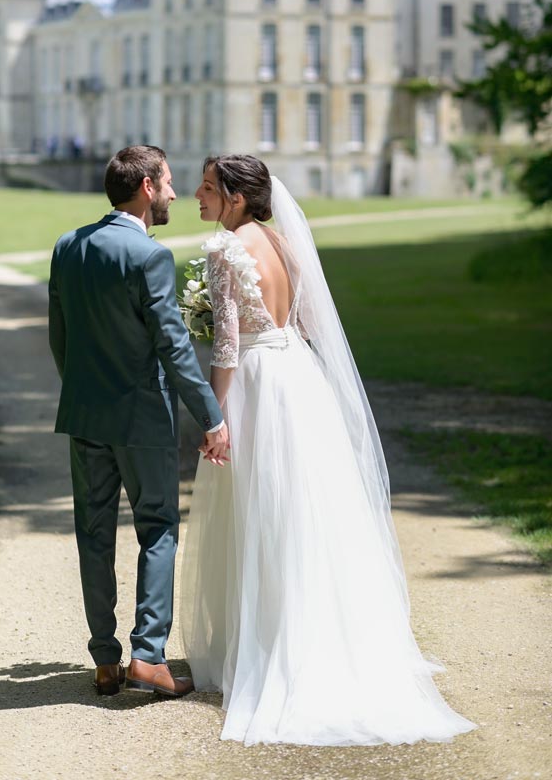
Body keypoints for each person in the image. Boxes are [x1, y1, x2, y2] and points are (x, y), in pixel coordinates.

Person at [181, 154, 477, 746]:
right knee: (309, 509)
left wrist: (215, 418)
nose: (197, 195)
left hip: (259, 383)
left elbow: (229, 347)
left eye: (209, 187)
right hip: (299, 379)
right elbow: (310, 322)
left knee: (260, 509)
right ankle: (325, 634)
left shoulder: (224, 250)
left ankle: (271, 646)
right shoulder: (285, 241)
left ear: (236, 197)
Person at [48, 145, 229, 699]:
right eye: (170, 182)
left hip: (84, 414)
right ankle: (148, 656)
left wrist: (82, 389)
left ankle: (105, 660)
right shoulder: (150, 256)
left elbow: (60, 337)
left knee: (94, 535)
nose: (175, 193)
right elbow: (174, 349)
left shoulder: (68, 246)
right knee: (157, 530)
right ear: (147, 188)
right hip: (142, 418)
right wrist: (212, 417)